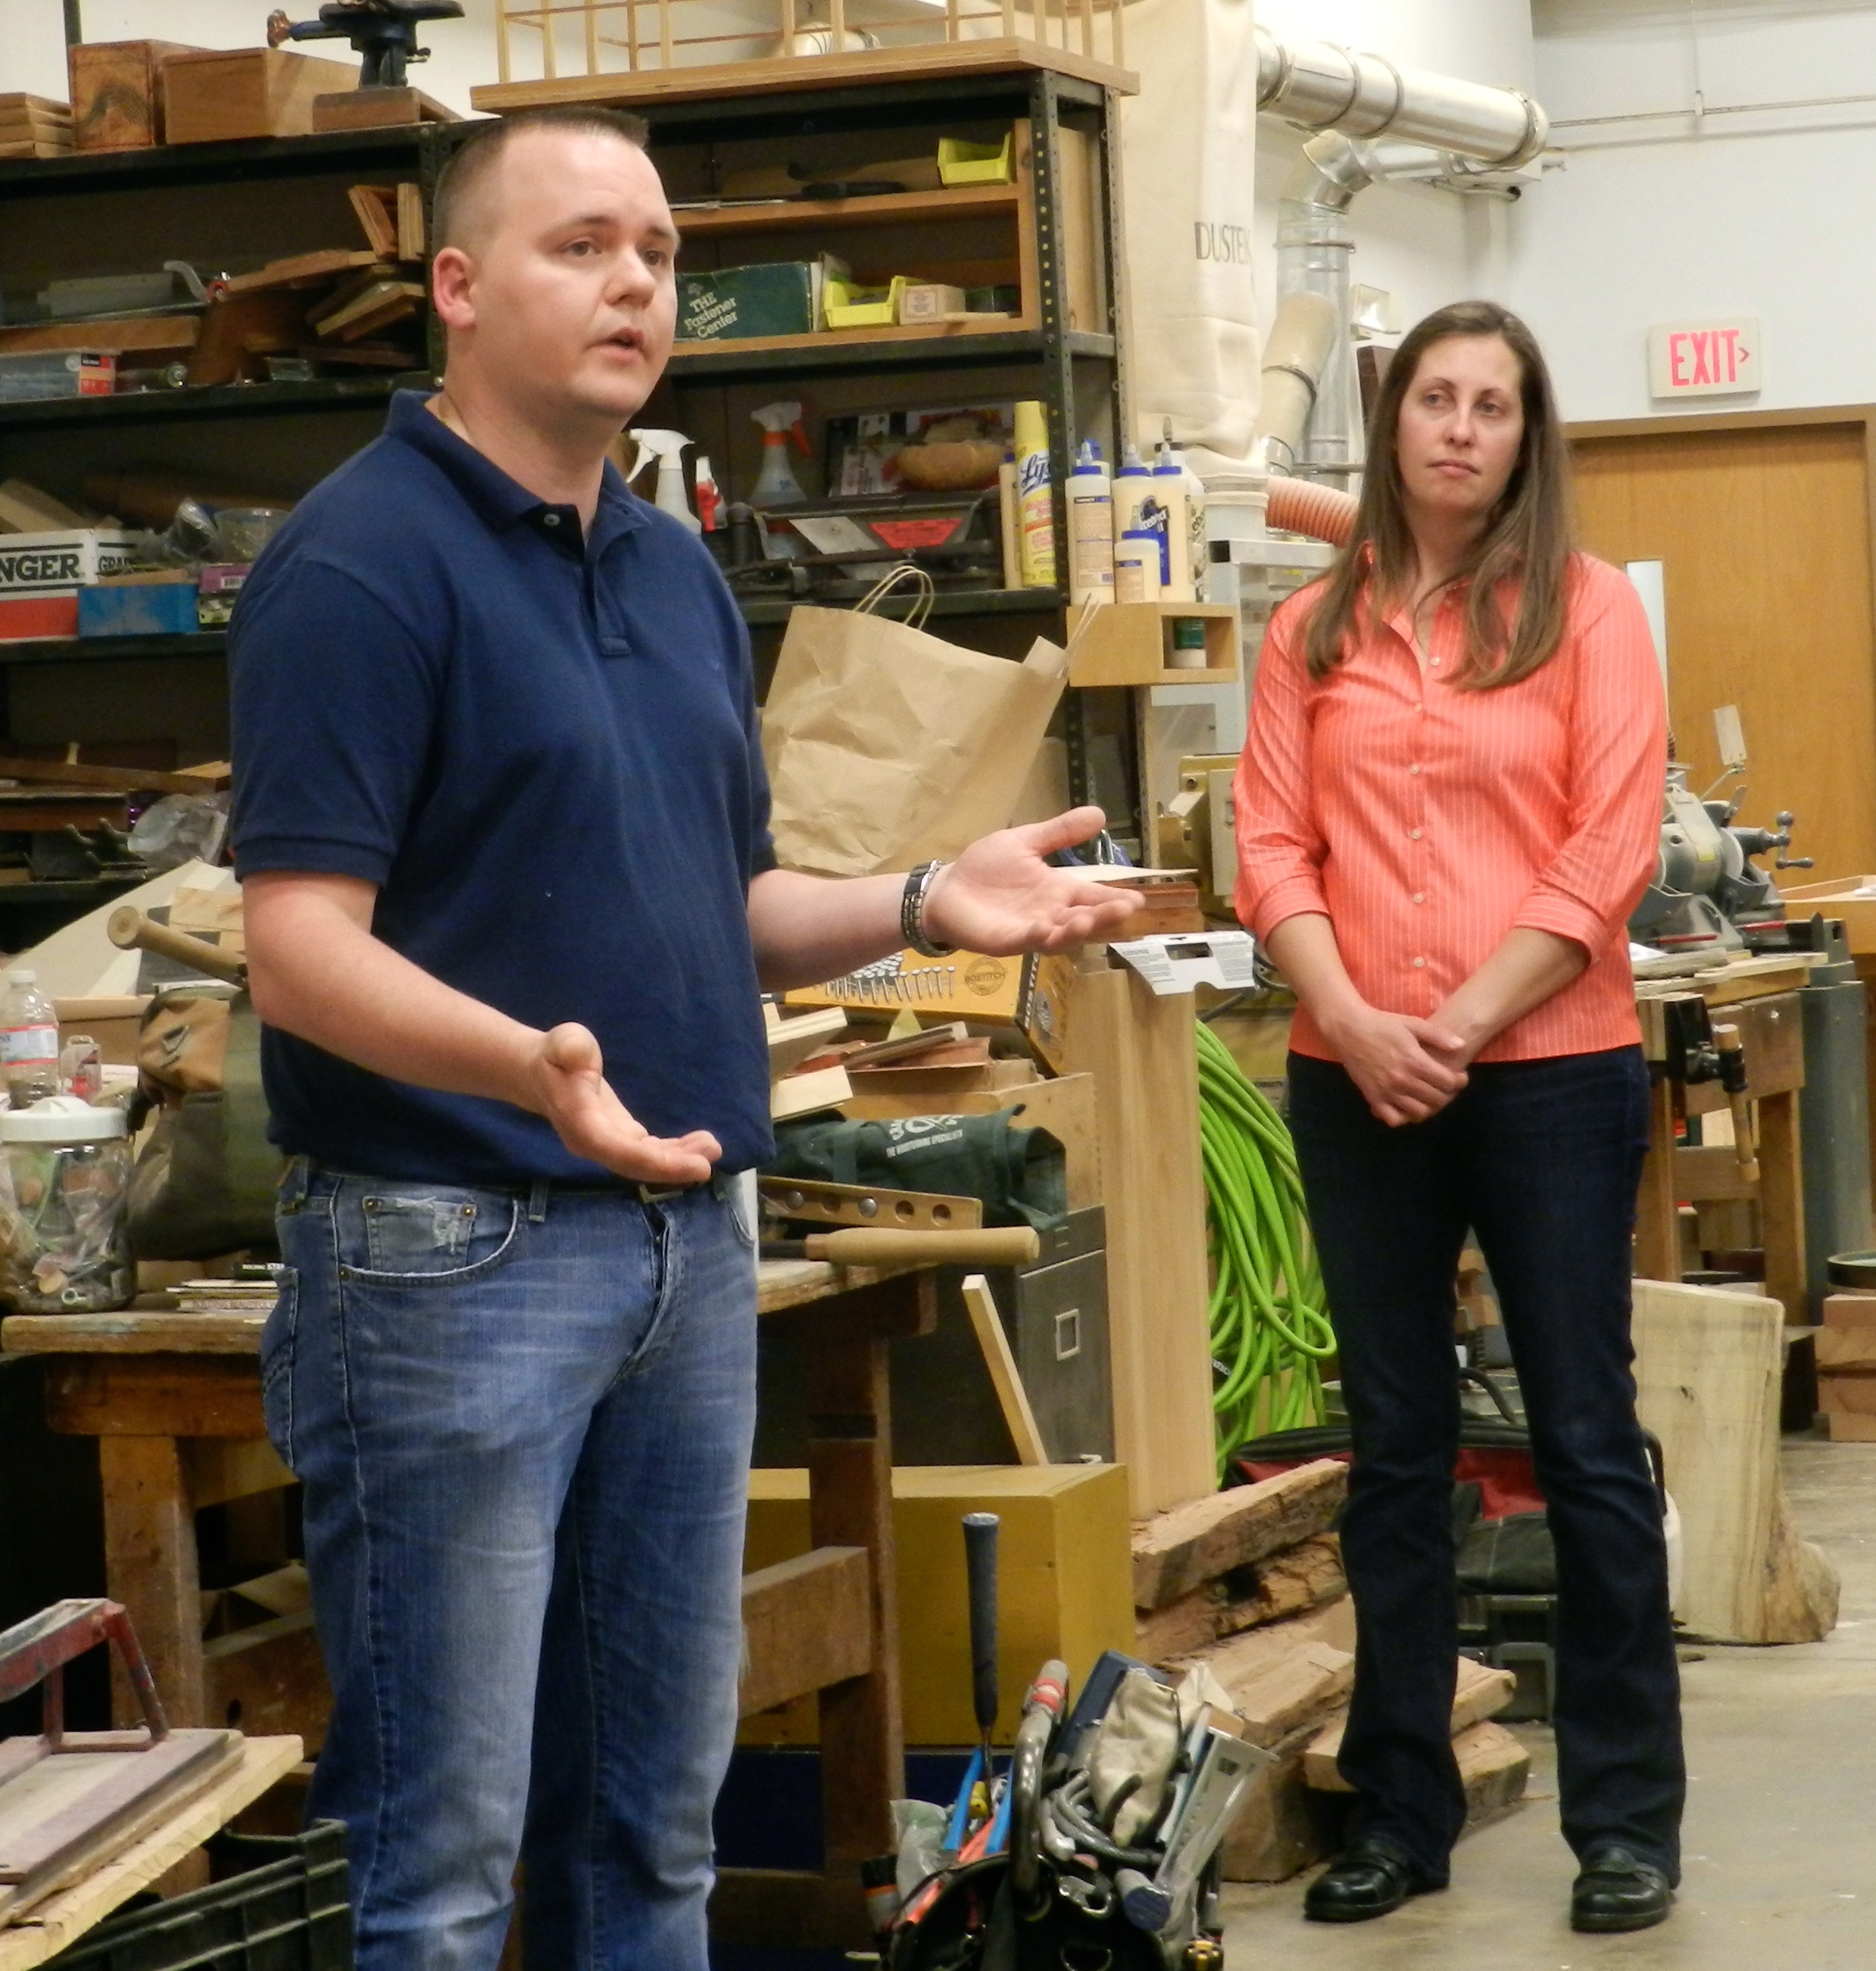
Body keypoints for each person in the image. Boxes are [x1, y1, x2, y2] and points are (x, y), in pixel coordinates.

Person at [228, 102, 1141, 1971]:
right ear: (458, 287)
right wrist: (531, 1071)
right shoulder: (357, 565)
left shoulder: (664, 568)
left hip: (686, 1249)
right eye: (580, 247)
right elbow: (300, 956)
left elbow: (721, 904)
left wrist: (919, 901)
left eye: (654, 251)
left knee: (656, 1832)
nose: (633, 283)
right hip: (449, 1254)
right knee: (444, 1867)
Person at [1231, 299, 1681, 1936]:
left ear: (1524, 436)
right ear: (1394, 420)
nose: (1461, 429)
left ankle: (1624, 1826)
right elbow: (1268, 847)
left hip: (1548, 1071)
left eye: (1493, 406)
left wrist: (1457, 1025)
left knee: (1580, 1439)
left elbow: (1607, 849)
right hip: (1352, 1072)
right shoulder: (1311, 629)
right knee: (1395, 1446)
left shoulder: (1586, 612)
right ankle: (1399, 1810)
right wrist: (1355, 1022)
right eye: (1437, 398)